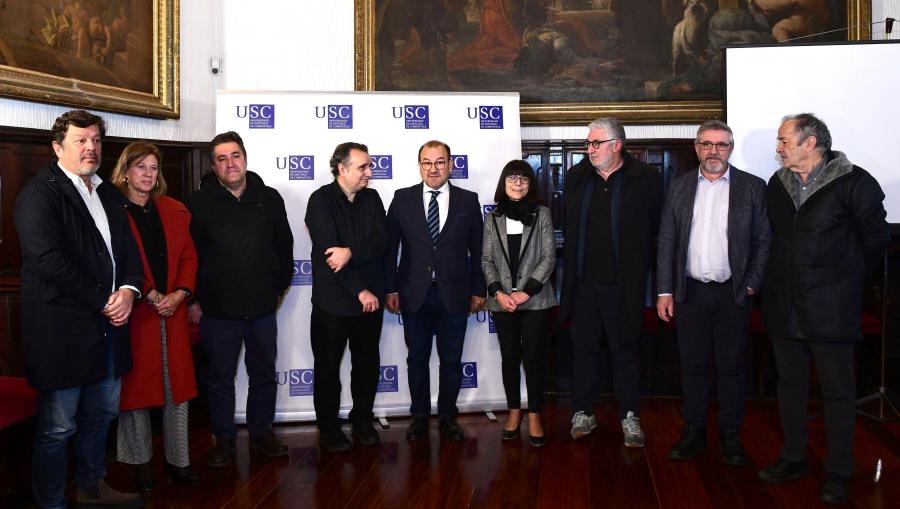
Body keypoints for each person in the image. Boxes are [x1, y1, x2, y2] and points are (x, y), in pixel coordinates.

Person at [757, 113, 889, 505]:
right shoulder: (776, 185)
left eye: (784, 141)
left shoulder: (855, 182)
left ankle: (839, 471)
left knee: (837, 393)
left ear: (810, 142)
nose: (778, 148)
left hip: (832, 308)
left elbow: (875, 241)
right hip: (785, 306)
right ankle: (794, 457)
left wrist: (841, 280)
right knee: (791, 387)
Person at [14, 109, 143, 508]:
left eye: (96, 140)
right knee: (58, 428)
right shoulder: (38, 194)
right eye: (80, 141)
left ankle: (92, 488)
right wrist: (105, 300)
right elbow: (50, 261)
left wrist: (128, 290)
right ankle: (51, 502)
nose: (90, 148)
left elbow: (127, 252)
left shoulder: (107, 192)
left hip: (108, 329)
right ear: (57, 147)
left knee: (99, 417)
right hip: (63, 332)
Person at [656, 120, 771, 466]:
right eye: (707, 144)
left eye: (721, 145)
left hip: (732, 294)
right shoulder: (678, 187)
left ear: (730, 149)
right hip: (689, 293)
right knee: (692, 365)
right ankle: (693, 431)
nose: (713, 151)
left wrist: (751, 283)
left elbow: (764, 240)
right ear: (696, 148)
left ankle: (730, 433)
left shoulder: (752, 187)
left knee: (732, 366)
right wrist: (664, 291)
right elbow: (666, 242)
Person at [187, 131, 294, 467]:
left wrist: (279, 289)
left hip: (262, 309)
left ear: (245, 158)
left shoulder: (270, 198)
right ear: (214, 166)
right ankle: (224, 440)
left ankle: (261, 433)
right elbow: (189, 256)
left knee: (263, 373)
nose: (230, 163)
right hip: (218, 312)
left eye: (235, 156)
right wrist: (193, 299)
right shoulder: (198, 204)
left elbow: (284, 247)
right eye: (221, 159)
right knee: (220, 379)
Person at [559, 117, 662, 446]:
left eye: (595, 143)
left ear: (617, 145)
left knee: (625, 350)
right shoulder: (577, 177)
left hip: (625, 286)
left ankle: (629, 416)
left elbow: (657, 230)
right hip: (584, 284)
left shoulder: (645, 178)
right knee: (584, 349)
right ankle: (583, 412)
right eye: (588, 143)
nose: (589, 149)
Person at [109, 142, 200, 491]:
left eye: (153, 168)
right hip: (134, 313)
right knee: (136, 395)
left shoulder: (174, 209)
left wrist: (180, 294)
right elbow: (114, 260)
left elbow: (189, 259)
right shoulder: (112, 209)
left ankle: (179, 463)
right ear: (126, 170)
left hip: (172, 310)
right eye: (141, 167)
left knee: (177, 390)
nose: (148, 174)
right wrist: (147, 293)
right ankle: (141, 467)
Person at [385, 140, 486, 442]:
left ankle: (447, 417)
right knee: (417, 359)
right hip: (413, 293)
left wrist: (479, 290)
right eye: (427, 162)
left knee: (451, 359)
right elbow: (390, 249)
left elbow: (479, 250)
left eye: (439, 162)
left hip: (455, 294)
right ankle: (419, 418)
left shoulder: (468, 201)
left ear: (450, 164)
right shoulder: (402, 199)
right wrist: (390, 288)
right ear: (419, 166)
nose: (433, 168)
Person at [304, 142, 388, 453]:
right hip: (333, 304)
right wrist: (360, 289)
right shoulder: (320, 201)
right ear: (342, 169)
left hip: (369, 306)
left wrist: (351, 250)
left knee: (366, 366)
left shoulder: (373, 198)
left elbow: (381, 241)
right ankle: (328, 428)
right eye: (362, 167)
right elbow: (331, 255)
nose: (369, 172)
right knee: (327, 370)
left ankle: (363, 421)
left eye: (369, 166)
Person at [481, 160, 557, 448]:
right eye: (512, 178)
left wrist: (526, 291)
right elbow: (486, 259)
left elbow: (549, 257)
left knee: (535, 359)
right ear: (504, 182)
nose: (518, 183)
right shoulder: (493, 217)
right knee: (510, 359)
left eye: (523, 179)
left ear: (530, 184)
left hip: (535, 299)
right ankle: (514, 413)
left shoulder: (542, 214)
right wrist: (499, 293)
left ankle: (535, 415)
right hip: (503, 301)